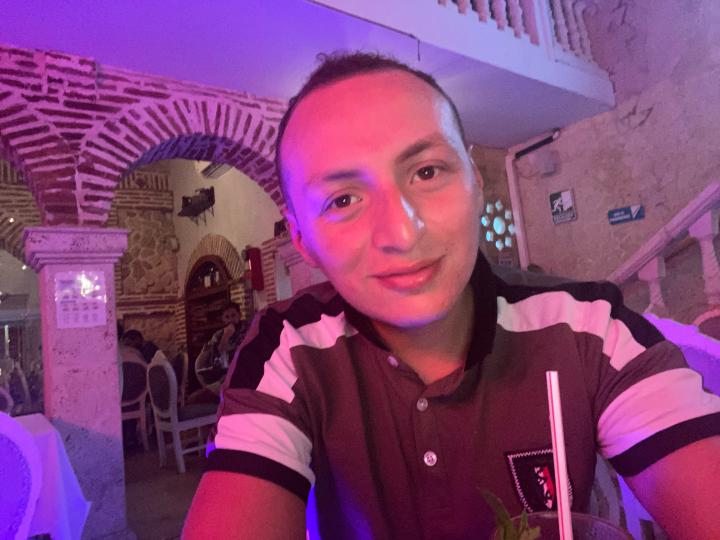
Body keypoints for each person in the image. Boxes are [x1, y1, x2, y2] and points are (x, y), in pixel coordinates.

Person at [183, 53, 720, 539]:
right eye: (343, 199)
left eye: (426, 171)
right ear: (303, 242)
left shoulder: (590, 326)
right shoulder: (287, 350)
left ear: (475, 183)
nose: (402, 232)